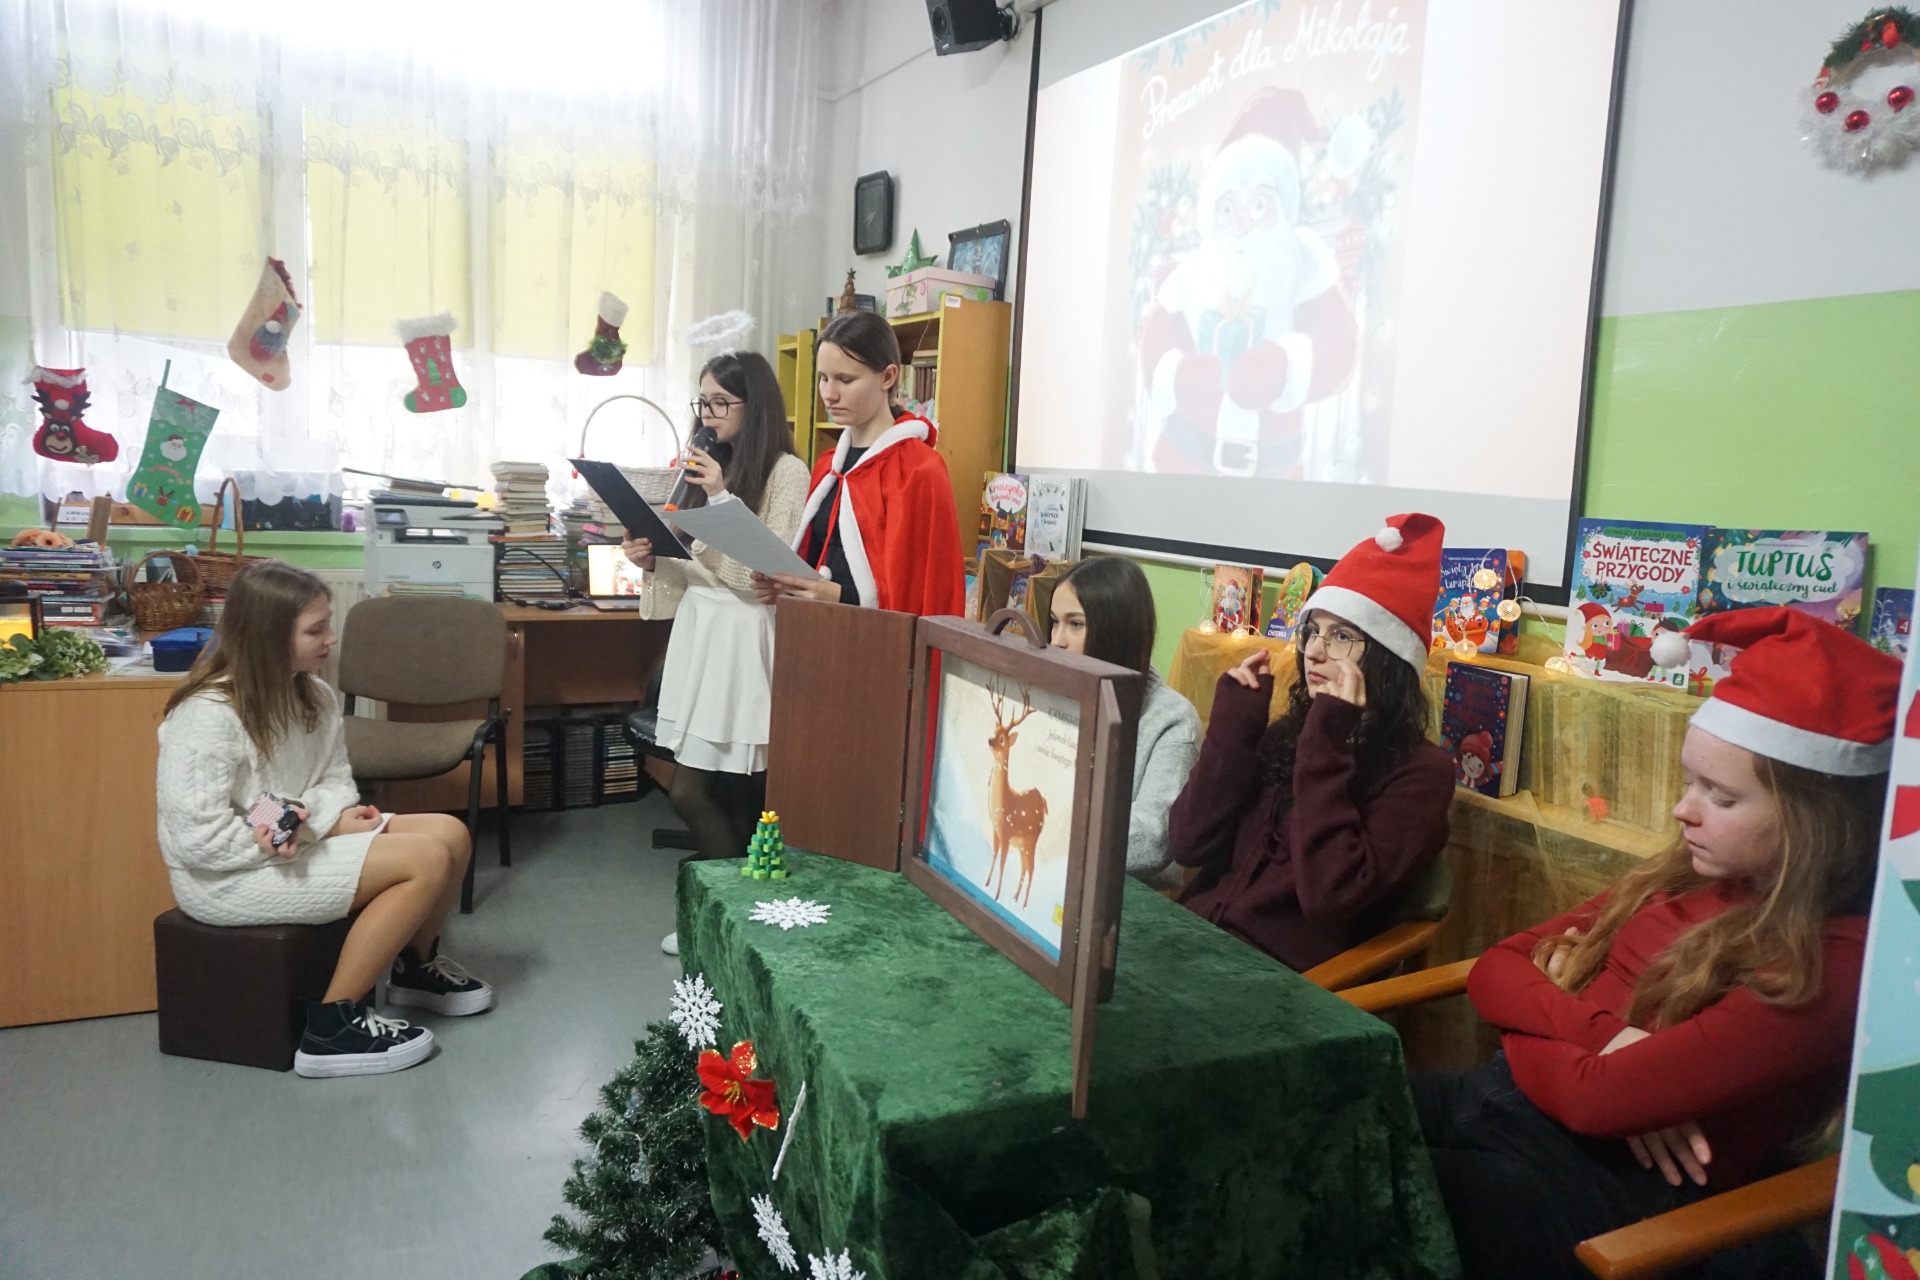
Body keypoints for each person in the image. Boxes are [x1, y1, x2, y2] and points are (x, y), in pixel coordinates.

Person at [1418, 608, 1898, 1280]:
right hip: (1495, 1100)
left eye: (1720, 797)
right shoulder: (1683, 872)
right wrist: (1608, 1037)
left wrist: (1547, 1012)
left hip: (1587, 1185)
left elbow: (1595, 1100)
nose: (1683, 810)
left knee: (1351, 1195)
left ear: (1816, 823)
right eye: (1688, 782)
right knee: (1314, 1107)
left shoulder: (1832, 957)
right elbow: (1493, 971)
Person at [156, 560, 493, 1079]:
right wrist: (313, 824)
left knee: (452, 833)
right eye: (315, 630)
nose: (330, 639)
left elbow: (336, 783)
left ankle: (415, 968)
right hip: (223, 877)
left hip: (286, 843)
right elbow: (197, 839)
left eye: (327, 624)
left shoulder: (313, 694)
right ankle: (332, 1026)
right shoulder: (206, 715)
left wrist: (301, 819)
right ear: (269, 636)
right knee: (424, 858)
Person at [1168, 513, 1454, 970]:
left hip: (1280, 976)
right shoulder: (1289, 733)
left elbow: (1331, 896)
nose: (1315, 651)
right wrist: (1232, 731)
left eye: (1341, 636)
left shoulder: (1422, 773)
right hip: (1196, 938)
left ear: (1388, 656)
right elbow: (1187, 843)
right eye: (1312, 631)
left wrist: (1325, 745)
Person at [622, 349, 810, 956]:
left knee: (712, 791)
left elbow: (759, 575)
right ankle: (733, 917)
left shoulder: (787, 472)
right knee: (716, 791)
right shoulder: (706, 468)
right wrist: (654, 556)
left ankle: (733, 920)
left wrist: (722, 498)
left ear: (755, 407)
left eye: (721, 402)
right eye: (701, 402)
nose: (707, 415)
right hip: (703, 633)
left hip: (744, 639)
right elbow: (696, 569)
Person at [752, 310, 965, 617]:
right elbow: (818, 559)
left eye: (845, 379)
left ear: (888, 377)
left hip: (871, 640)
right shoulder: (828, 466)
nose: (829, 394)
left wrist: (835, 595)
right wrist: (787, 587)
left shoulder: (919, 470)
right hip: (816, 632)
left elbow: (922, 593)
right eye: (823, 378)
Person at [1047, 556, 1199, 888]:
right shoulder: (1054, 695)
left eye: (1075, 624)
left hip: (1130, 893)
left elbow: (1152, 839)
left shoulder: (1173, 719)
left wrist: (1050, 829)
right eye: (1055, 622)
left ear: (1115, 632)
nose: (1057, 640)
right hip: (1051, 869)